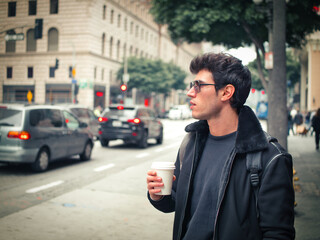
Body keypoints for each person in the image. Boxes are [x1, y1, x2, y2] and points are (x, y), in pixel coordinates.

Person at [146, 53, 295, 240]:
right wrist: (158, 195)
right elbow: (177, 203)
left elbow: (278, 234)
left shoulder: (270, 158)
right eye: (192, 85)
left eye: (198, 86)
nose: (190, 92)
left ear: (226, 92)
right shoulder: (191, 144)